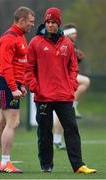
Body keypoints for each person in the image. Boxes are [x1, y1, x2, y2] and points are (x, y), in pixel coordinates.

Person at [25, 7, 97, 174]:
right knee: (44, 132)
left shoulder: (67, 43)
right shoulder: (35, 42)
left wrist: (72, 84)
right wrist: (35, 87)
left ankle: (78, 165)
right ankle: (46, 165)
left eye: (53, 22)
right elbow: (29, 69)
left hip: (64, 96)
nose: (50, 25)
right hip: (43, 96)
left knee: (72, 129)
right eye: (48, 22)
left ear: (58, 24)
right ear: (45, 23)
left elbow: (73, 67)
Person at [0, 6, 35, 173]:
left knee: (2, 122)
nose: (32, 25)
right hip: (6, 84)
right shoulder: (9, 38)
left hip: (13, 84)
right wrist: (14, 87)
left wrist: (21, 85)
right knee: (13, 122)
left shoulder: (21, 37)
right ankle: (6, 163)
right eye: (30, 22)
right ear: (21, 21)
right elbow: (6, 66)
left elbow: (19, 65)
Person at [54, 23, 90, 150]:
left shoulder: (72, 45)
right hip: (62, 79)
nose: (75, 35)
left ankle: (57, 140)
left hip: (67, 79)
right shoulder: (62, 43)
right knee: (85, 81)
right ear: (67, 34)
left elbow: (71, 62)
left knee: (63, 110)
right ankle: (74, 106)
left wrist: (77, 58)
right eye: (73, 33)